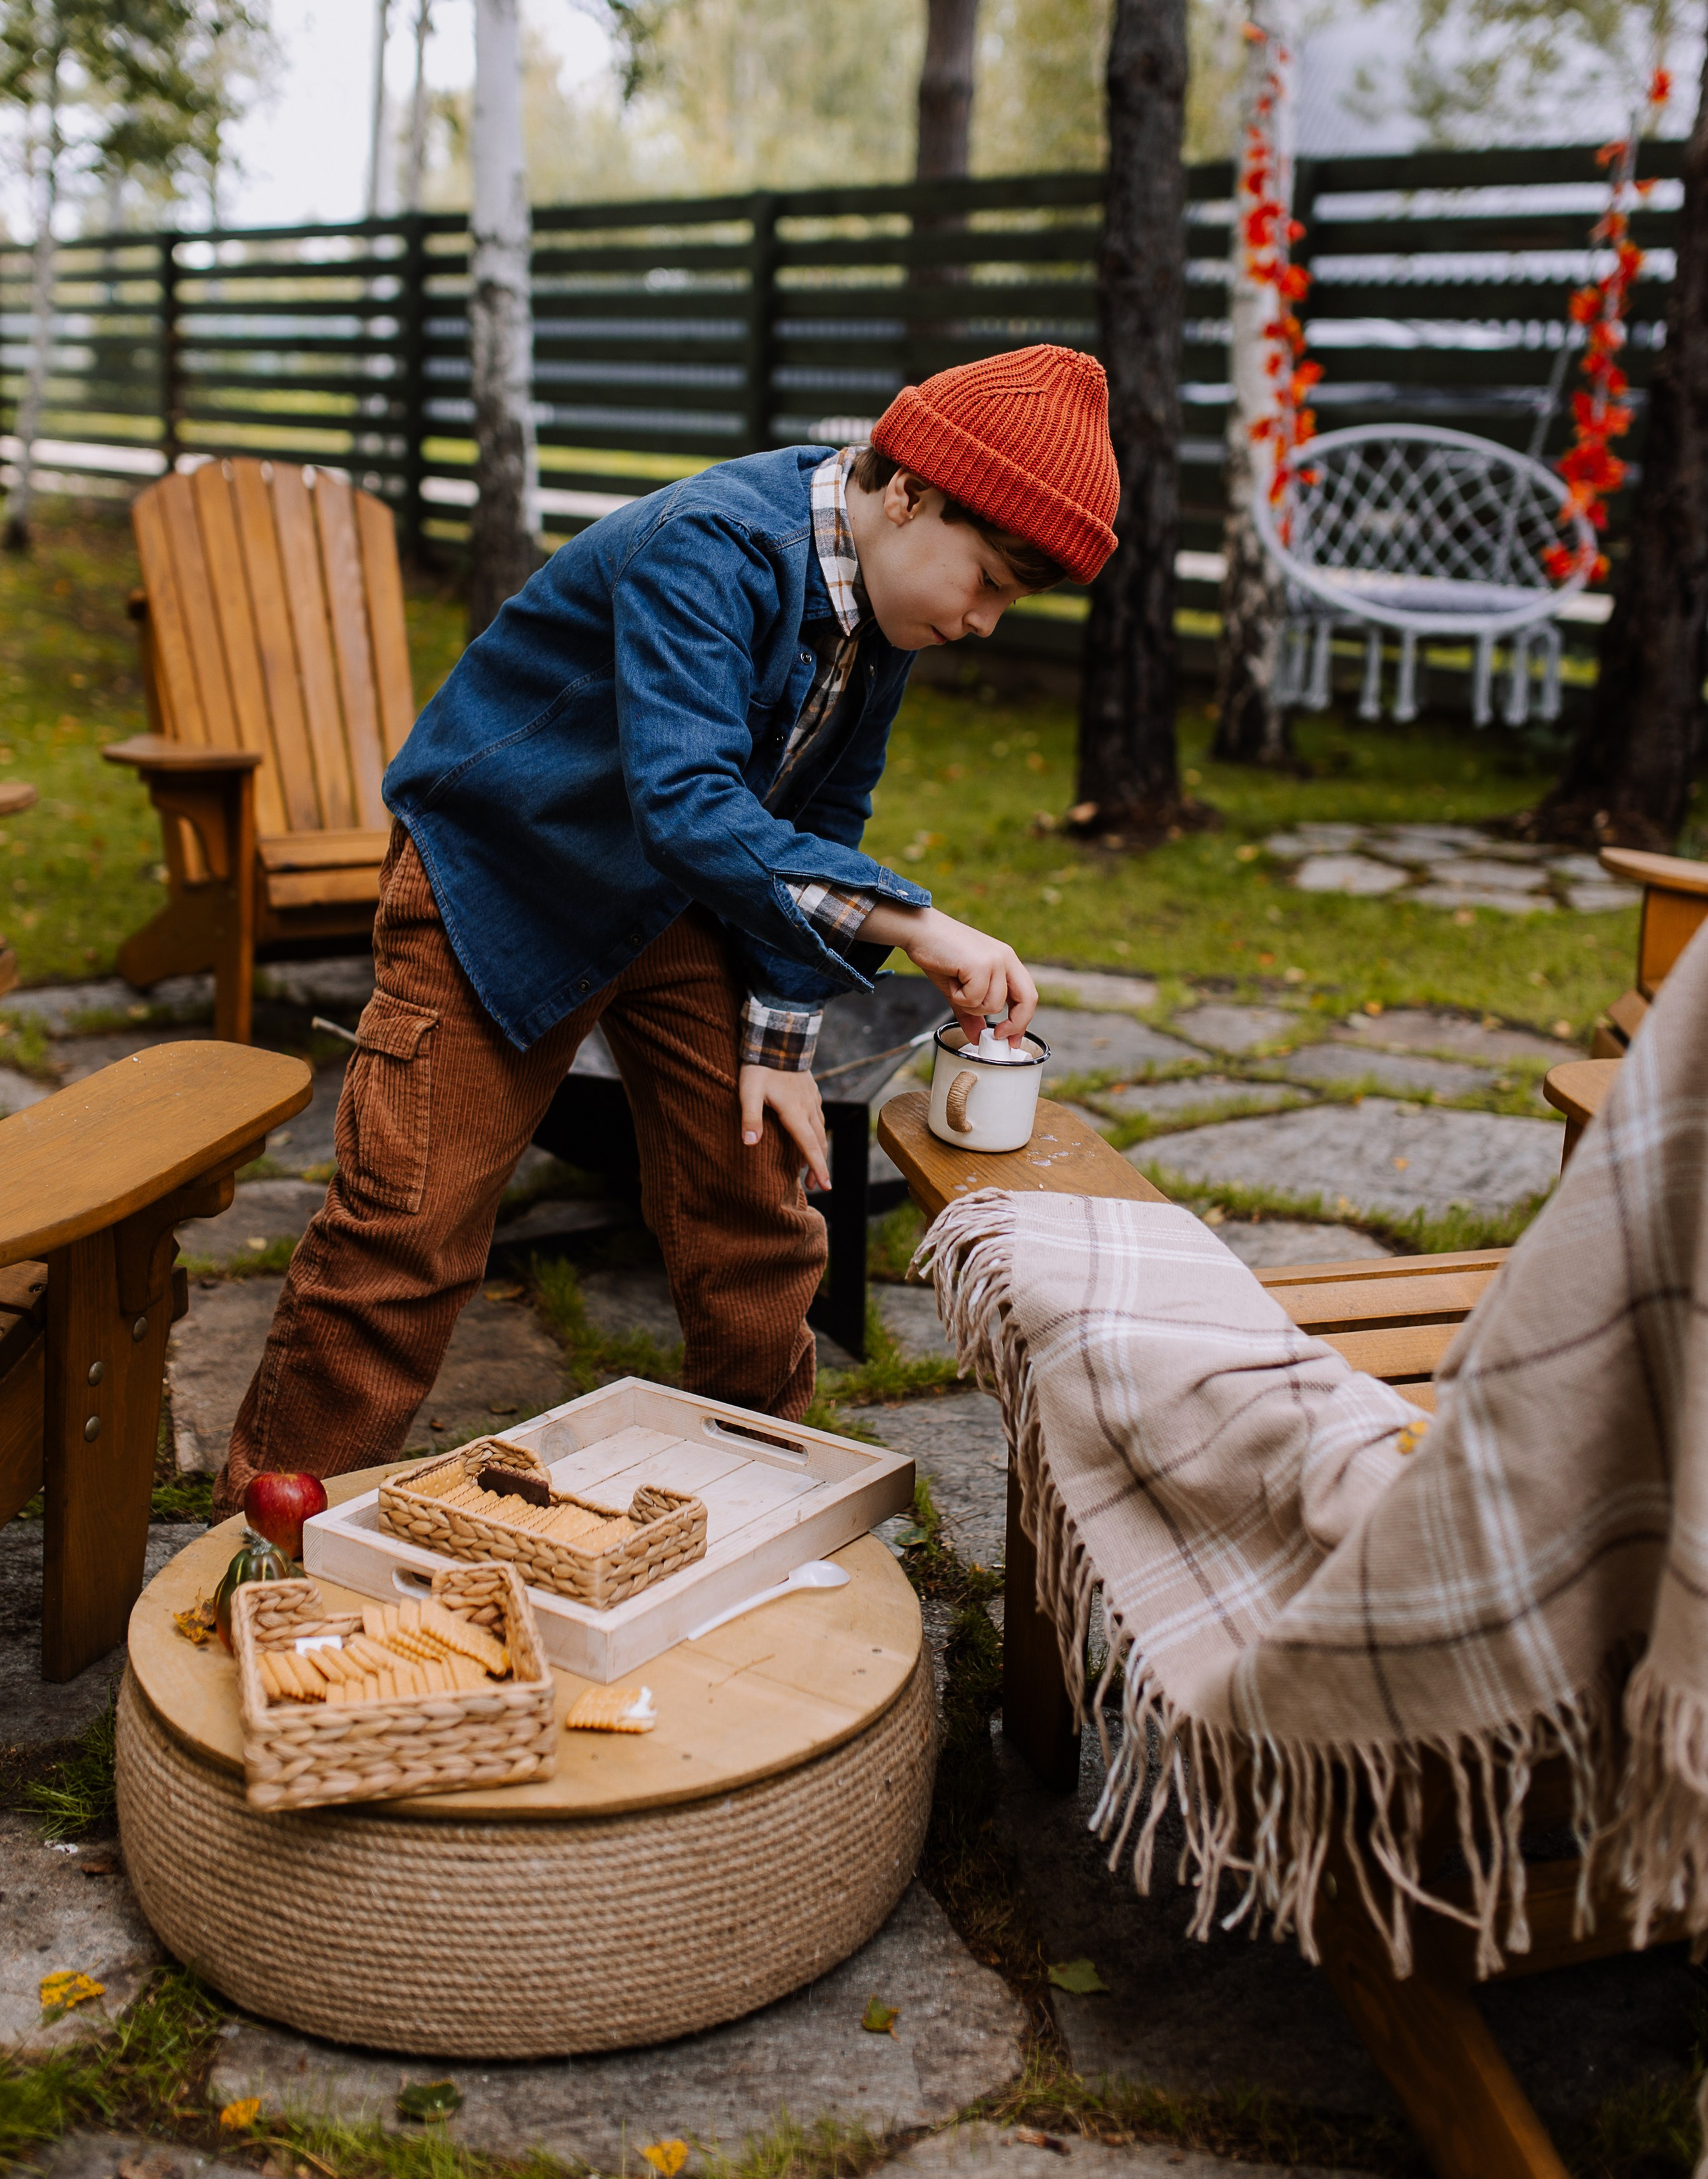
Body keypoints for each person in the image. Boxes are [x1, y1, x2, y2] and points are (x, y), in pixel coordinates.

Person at [212, 344, 1120, 1510]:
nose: (989, 620)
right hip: (501, 880)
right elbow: (690, 802)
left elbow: (819, 809)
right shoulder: (712, 547)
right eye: (989, 579)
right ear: (911, 494)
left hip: (676, 898)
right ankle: (271, 1533)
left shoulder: (888, 614)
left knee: (756, 1209)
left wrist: (783, 1028)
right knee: (411, 1230)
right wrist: (918, 922)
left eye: (1012, 600)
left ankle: (750, 1494)